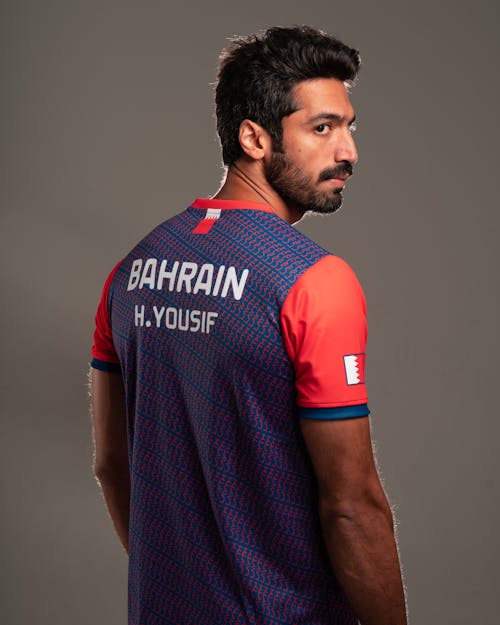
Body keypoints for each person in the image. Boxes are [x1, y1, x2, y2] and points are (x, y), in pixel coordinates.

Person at [90, 25, 407, 625]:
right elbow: (352, 506)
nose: (348, 152)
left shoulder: (129, 271)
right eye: (322, 128)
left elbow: (111, 464)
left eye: (348, 126)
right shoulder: (315, 282)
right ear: (254, 138)